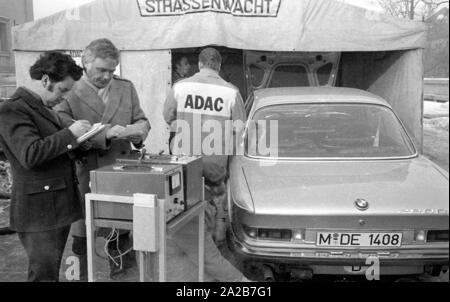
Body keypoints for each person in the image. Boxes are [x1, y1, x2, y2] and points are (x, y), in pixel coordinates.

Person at [55, 38, 150, 279]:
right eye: (101, 70)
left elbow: (141, 118)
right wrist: (105, 134)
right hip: (84, 175)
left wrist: (139, 131)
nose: (107, 76)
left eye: (112, 70)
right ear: (85, 63)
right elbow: (61, 129)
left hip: (120, 174)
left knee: (121, 235)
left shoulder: (125, 87)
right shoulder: (67, 91)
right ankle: (82, 277)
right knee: (82, 238)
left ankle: (124, 277)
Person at [0, 51, 91, 282]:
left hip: (54, 207)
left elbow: (54, 149)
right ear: (45, 80)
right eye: (63, 90)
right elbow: (30, 154)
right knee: (43, 275)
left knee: (48, 273)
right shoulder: (13, 109)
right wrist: (70, 134)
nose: (64, 97)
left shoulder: (40, 108)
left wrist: (82, 140)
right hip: (37, 212)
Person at [163, 47, 247, 281]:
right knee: (208, 214)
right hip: (213, 168)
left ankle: (197, 267)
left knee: (183, 215)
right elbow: (240, 129)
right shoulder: (231, 91)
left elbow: (167, 116)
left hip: (183, 166)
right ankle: (208, 259)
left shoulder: (181, 87)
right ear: (218, 66)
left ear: (199, 65)